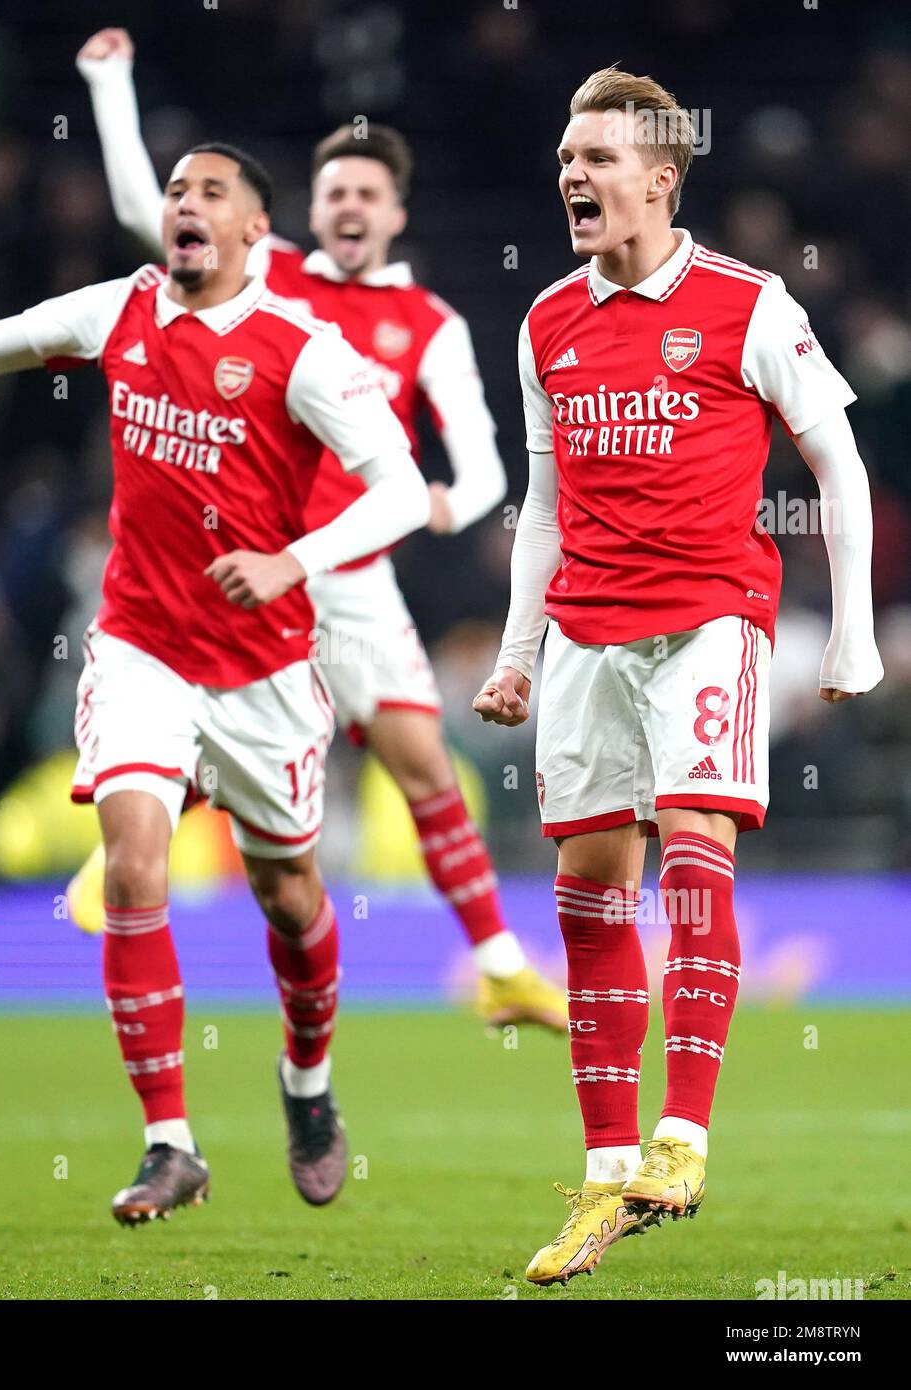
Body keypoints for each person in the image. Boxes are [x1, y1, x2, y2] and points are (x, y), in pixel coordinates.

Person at [0, 143, 430, 1223]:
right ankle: (170, 1142)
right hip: (141, 644)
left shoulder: (303, 348)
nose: (185, 206)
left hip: (264, 669)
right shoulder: (123, 308)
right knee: (134, 863)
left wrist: (295, 560)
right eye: (177, 191)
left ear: (256, 230)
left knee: (291, 900)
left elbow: (399, 490)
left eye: (212, 194)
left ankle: (306, 1084)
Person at [68, 27, 567, 1032]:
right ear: (307, 209)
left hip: (346, 579)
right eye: (333, 191)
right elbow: (138, 212)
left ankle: (502, 968)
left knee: (422, 763)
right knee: (197, 733)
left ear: (395, 214)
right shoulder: (270, 278)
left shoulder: (429, 322)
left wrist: (443, 502)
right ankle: (113, 859)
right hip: (240, 567)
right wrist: (110, 82)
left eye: (366, 194)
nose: (347, 206)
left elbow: (480, 469)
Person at [472, 67, 884, 1285]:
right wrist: (515, 649)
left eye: (596, 159)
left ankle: (683, 1135)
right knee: (589, 895)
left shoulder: (747, 305)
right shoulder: (545, 318)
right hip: (585, 632)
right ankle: (605, 1181)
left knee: (696, 841)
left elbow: (838, 459)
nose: (572, 178)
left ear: (661, 174)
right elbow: (542, 505)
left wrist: (848, 628)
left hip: (711, 616)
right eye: (564, 159)